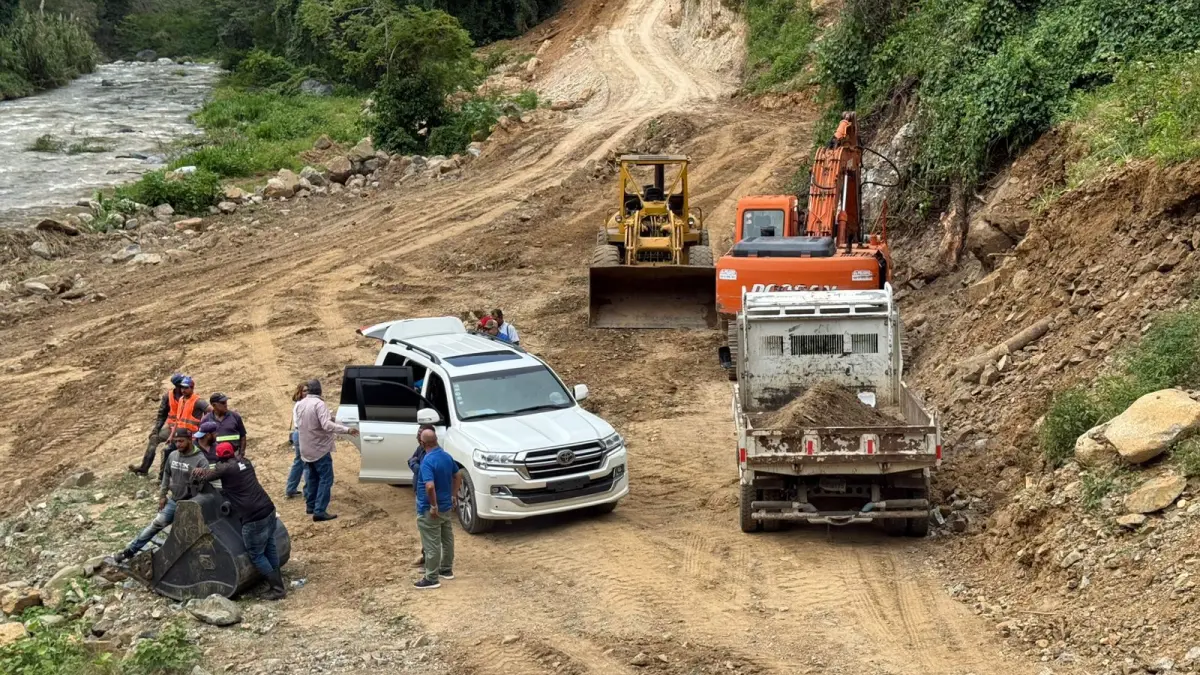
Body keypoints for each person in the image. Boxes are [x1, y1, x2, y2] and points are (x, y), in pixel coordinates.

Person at [193, 442, 287, 600]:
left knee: (256, 554)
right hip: (268, 509)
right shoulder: (246, 462)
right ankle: (278, 581)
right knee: (269, 546)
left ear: (219, 457)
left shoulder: (224, 468)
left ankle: (277, 589)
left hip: (252, 517)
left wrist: (198, 470)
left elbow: (206, 475)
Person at [110, 429, 209, 564]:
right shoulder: (173, 455)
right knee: (155, 525)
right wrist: (162, 495)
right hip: (174, 502)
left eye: (181, 441)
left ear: (190, 439)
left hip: (190, 505)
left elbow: (206, 485)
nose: (178, 444)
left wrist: (202, 475)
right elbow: (166, 475)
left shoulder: (200, 460)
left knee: (190, 535)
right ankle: (129, 552)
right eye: (176, 441)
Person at [295, 378, 358, 522]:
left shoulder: (300, 404)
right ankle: (320, 511)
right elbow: (326, 425)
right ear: (320, 390)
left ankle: (310, 506)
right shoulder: (319, 404)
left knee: (312, 477)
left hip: (306, 447)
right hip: (319, 448)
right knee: (325, 479)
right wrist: (347, 429)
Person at [414, 428, 460, 590]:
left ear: (422, 443)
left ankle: (431, 578)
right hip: (446, 506)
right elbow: (457, 475)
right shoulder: (446, 456)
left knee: (432, 543)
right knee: (447, 538)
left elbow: (429, 485)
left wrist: (433, 505)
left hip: (430, 509)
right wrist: (454, 495)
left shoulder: (427, 460)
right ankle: (446, 569)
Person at [128, 373, 184, 477]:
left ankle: (163, 476)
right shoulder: (168, 396)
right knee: (154, 439)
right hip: (172, 427)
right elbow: (162, 415)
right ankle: (144, 468)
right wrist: (156, 429)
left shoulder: (188, 396)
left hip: (184, 429)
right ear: (178, 385)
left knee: (168, 450)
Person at [408, 424, 434, 568]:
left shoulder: (431, 454)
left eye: (420, 435)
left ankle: (430, 563)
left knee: (428, 528)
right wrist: (415, 464)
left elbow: (420, 468)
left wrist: (416, 466)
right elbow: (411, 460)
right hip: (419, 493)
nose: (417, 438)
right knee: (423, 528)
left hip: (426, 496)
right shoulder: (421, 449)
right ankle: (426, 557)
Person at [200, 393, 247, 458]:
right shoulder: (206, 419)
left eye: (226, 402)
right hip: (215, 456)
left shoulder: (235, 416)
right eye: (223, 403)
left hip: (234, 456)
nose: (226, 405)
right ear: (214, 405)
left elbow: (243, 436)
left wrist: (241, 454)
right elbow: (201, 440)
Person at [285, 383, 308, 499]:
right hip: (302, 434)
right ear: (300, 392)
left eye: (308, 390)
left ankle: (291, 488)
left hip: (298, 433)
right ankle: (308, 491)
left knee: (299, 462)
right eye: (304, 391)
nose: (307, 393)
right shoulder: (301, 405)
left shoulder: (298, 404)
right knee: (307, 463)